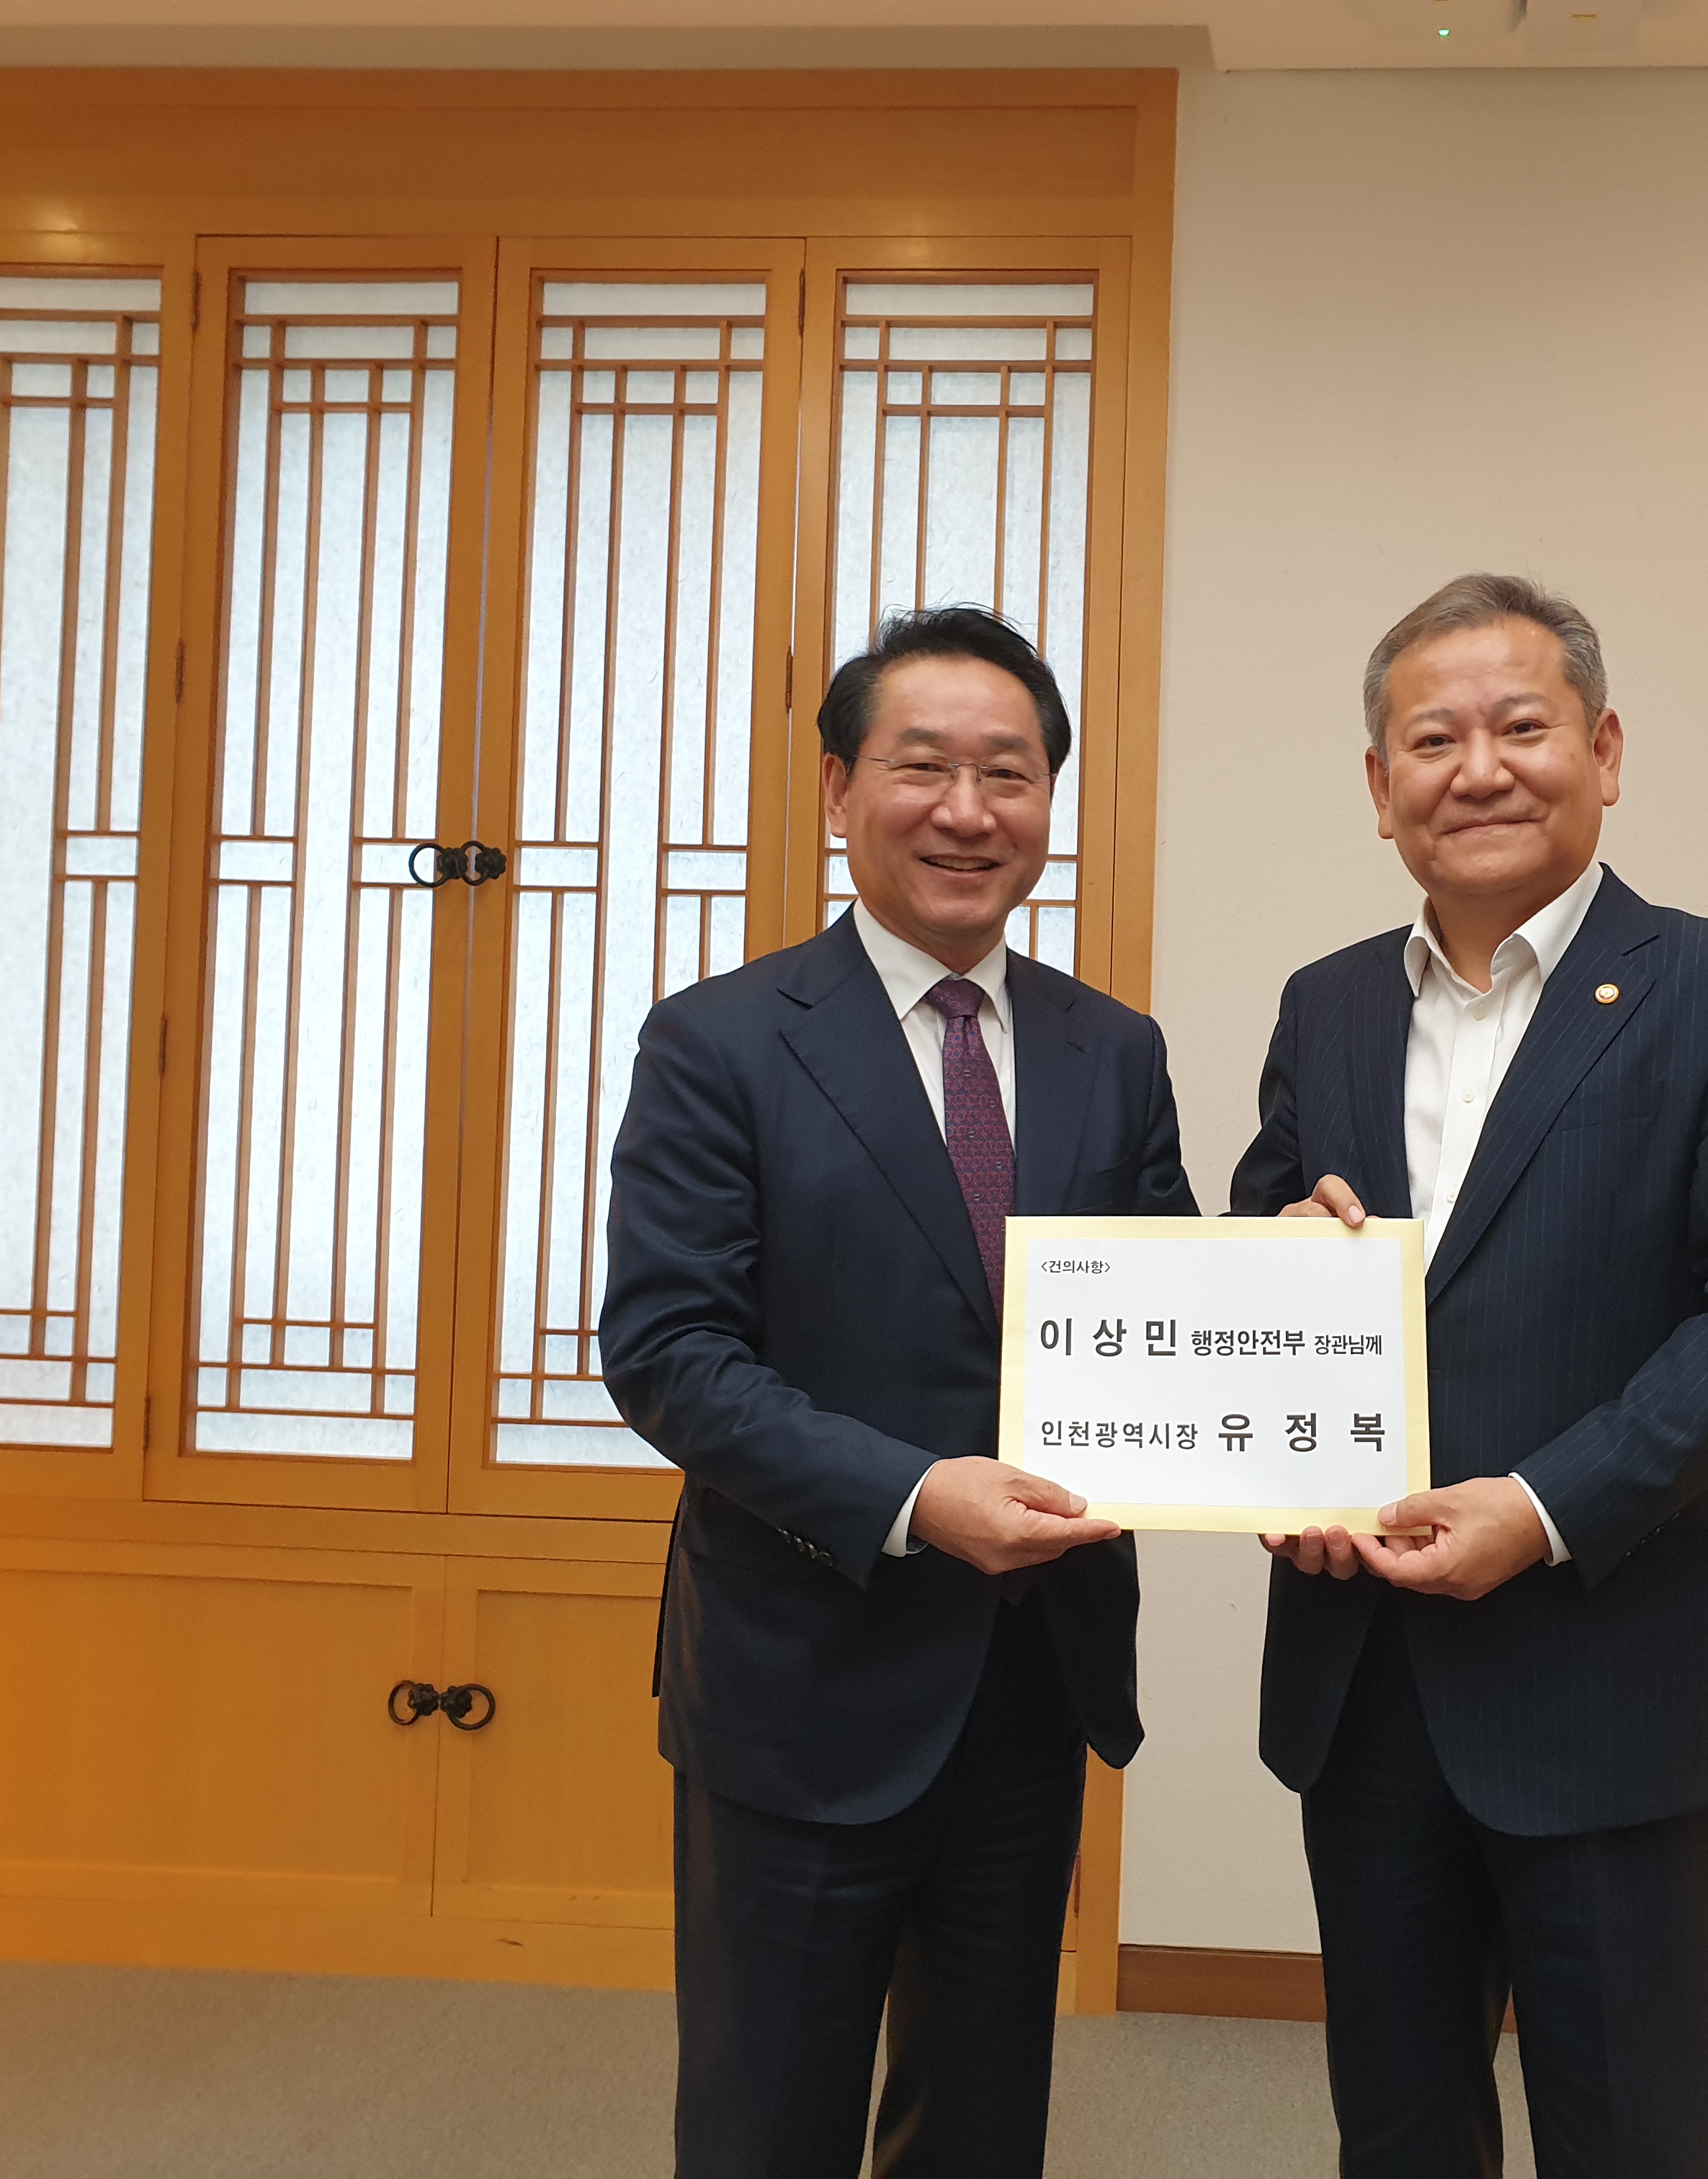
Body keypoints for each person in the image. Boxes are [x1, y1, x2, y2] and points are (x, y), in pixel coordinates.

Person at [1233, 574, 1708, 2178]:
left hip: (1619, 1689)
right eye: (1431, 738)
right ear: (1381, 791)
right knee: (1398, 2134)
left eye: (1522, 726)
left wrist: (1543, 1505)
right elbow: (1259, 1254)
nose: (1479, 768)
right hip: (1365, 1688)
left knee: (1633, 2141)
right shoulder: (1328, 1003)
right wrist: (1272, 1413)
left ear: (1606, 747)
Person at [600, 605, 1194, 2179]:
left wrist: (1297, 1273)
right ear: (838, 790)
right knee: (768, 2121)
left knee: (984, 2118)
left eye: (1009, 773)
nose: (967, 810)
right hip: (804, 1675)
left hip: (1029, 1681)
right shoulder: (720, 1042)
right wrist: (912, 1495)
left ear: (1049, 807)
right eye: (922, 766)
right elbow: (667, 1353)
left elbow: (1166, 1306)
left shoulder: (1111, 1051)